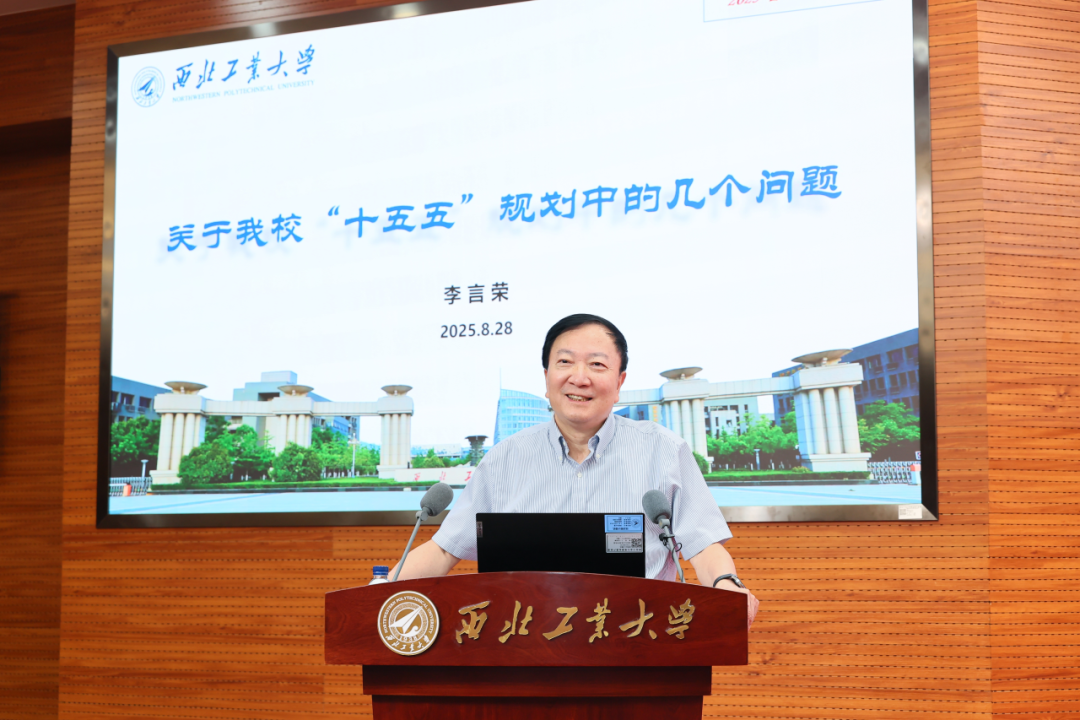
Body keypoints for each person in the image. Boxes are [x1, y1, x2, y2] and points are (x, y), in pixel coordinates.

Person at [390, 313, 759, 627]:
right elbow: (444, 551)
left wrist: (727, 585)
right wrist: (379, 592)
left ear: (620, 382)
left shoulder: (663, 451)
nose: (579, 377)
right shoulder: (504, 460)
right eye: (565, 362)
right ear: (547, 377)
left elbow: (703, 547)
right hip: (522, 645)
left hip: (637, 641)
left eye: (597, 365)